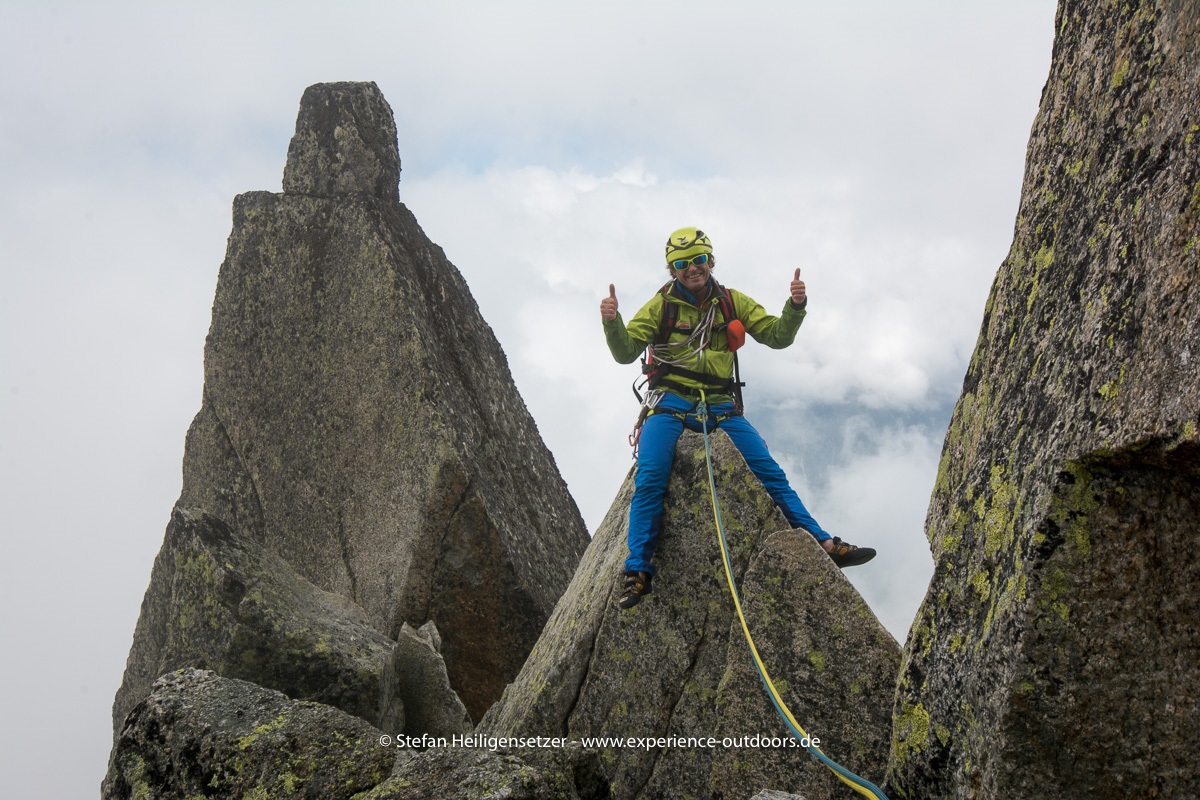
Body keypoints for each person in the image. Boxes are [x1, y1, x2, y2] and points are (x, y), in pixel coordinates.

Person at [600, 227, 876, 609]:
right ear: (672, 270)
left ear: (710, 261)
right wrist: (612, 322)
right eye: (682, 264)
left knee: (769, 473)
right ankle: (637, 570)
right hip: (669, 402)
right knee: (651, 476)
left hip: (719, 404)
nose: (692, 269)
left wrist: (795, 308)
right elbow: (625, 351)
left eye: (698, 260)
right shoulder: (660, 306)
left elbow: (777, 337)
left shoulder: (731, 302)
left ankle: (825, 543)